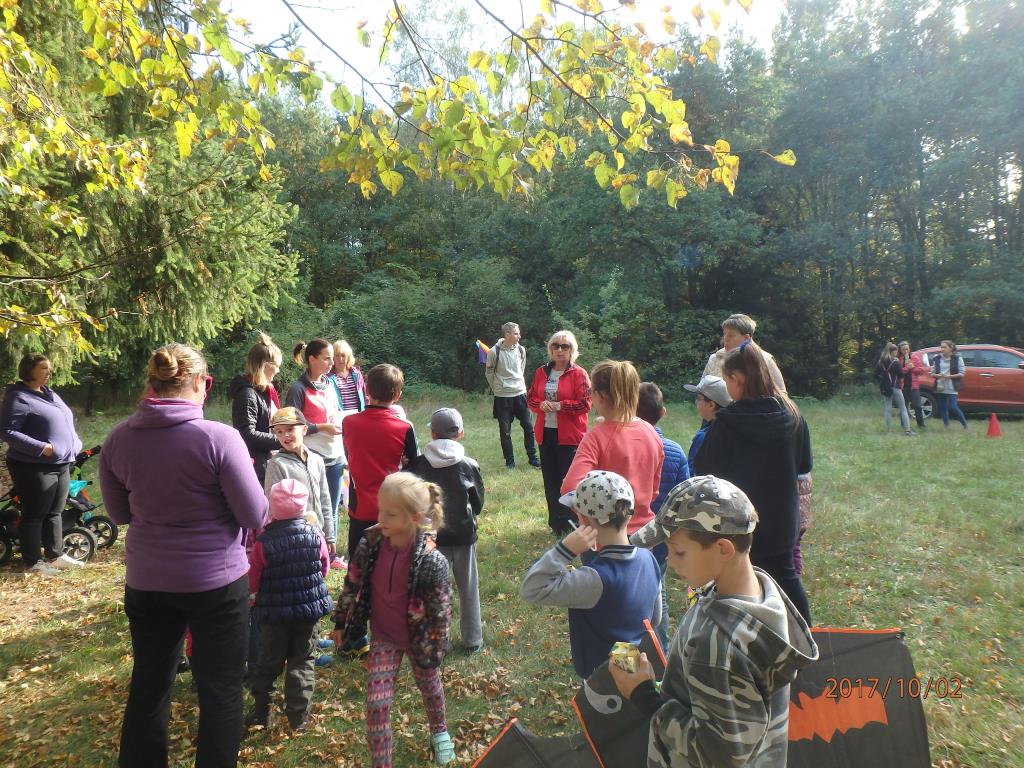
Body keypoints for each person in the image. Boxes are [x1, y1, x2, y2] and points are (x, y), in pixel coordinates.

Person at [98, 344, 267, 768]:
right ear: (200, 383)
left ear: (152, 383)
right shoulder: (219, 438)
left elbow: (119, 514)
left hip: (147, 581)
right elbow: (254, 514)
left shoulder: (118, 439)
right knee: (221, 689)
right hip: (215, 583)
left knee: (149, 684)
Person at [616, 476, 818, 768]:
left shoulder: (716, 645)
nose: (670, 560)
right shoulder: (763, 593)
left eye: (679, 551)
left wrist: (643, 694)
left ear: (723, 549)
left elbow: (718, 756)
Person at [331, 472, 455, 766]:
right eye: (380, 510)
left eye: (390, 513)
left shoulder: (431, 560)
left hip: (419, 639)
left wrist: (436, 646)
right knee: (376, 704)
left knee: (430, 687)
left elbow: (441, 610)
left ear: (415, 517)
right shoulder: (371, 543)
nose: (381, 518)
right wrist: (341, 621)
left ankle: (439, 731)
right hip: (383, 638)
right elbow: (352, 581)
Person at [692, 341, 813, 624]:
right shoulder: (792, 415)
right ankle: (806, 636)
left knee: (739, 585)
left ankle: (744, 637)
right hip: (783, 518)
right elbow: (804, 466)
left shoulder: (727, 422)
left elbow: (706, 470)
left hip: (740, 520)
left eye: (727, 381)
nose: (727, 388)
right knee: (786, 577)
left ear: (738, 379)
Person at [520, 470, 661, 679]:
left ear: (583, 519)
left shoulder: (594, 579)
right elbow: (655, 618)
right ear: (629, 513)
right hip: (635, 668)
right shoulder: (649, 559)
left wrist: (563, 551)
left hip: (602, 680)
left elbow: (531, 589)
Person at [339, 363, 418, 657]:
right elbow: (414, 469)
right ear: (397, 395)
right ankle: (392, 634)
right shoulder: (404, 427)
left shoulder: (349, 423)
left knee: (358, 574)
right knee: (393, 575)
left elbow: (350, 454)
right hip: (393, 513)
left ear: (366, 390)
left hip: (361, 510)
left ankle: (355, 635)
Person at [246, 479, 332, 733]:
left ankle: (262, 711)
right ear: (304, 506)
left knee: (268, 663)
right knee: (302, 660)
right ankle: (299, 718)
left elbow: (253, 578)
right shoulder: (315, 535)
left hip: (274, 614)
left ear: (272, 508)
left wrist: (253, 596)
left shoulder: (264, 542)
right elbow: (324, 567)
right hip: (307, 612)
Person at [409, 408, 485, 653]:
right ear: (460, 433)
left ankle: (438, 639)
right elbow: (478, 504)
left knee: (435, 591)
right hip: (463, 535)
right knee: (468, 588)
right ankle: (472, 639)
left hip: (432, 537)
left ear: (432, 433)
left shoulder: (417, 465)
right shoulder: (469, 465)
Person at [1, 352, 84, 575]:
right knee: (34, 513)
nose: (49, 372)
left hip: (61, 463)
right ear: (29, 370)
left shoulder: (49, 393)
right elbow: (8, 432)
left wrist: (74, 442)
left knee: (55, 512)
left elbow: (65, 421)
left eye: (49, 368)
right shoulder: (18, 397)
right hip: (33, 465)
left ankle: (55, 555)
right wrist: (42, 448)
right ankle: (33, 563)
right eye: (44, 368)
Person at [560, 360, 664, 536]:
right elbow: (653, 490)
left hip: (605, 537)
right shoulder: (651, 432)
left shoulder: (595, 437)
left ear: (600, 396)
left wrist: (586, 517)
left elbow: (570, 488)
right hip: (643, 534)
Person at [636, 382, 691, 649]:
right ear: (663, 412)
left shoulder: (623, 446)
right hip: (660, 539)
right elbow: (685, 501)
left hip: (626, 537)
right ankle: (661, 653)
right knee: (658, 595)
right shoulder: (675, 451)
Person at [527, 331, 592, 536]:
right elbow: (531, 399)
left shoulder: (579, 374)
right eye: (555, 346)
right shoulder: (541, 372)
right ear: (550, 349)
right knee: (550, 480)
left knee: (570, 482)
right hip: (545, 433)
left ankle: (573, 523)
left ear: (573, 350)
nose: (560, 350)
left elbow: (585, 404)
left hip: (570, 436)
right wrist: (541, 404)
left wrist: (559, 406)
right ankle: (556, 524)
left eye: (565, 346)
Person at [287, 339, 345, 566]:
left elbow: (335, 412)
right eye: (327, 358)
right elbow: (292, 424)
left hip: (334, 453)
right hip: (311, 455)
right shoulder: (298, 388)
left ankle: (332, 555)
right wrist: (322, 427)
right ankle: (312, 551)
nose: (332, 363)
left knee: (332, 506)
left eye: (332, 358)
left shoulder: (329, 383)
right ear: (312, 360)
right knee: (313, 506)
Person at [263, 407, 333, 542]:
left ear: (304, 430)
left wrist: (329, 536)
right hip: (293, 538)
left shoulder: (316, 460)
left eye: (290, 429)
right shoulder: (276, 464)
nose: (285, 435)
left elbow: (325, 500)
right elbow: (272, 507)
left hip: (318, 535)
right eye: (279, 431)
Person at [485, 322, 540, 470]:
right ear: (507, 334)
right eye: (516, 333)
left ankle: (533, 459)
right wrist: (497, 389)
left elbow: (521, 369)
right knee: (505, 432)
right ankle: (510, 462)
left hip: (520, 394)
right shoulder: (494, 352)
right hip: (502, 396)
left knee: (529, 428)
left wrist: (519, 385)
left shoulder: (521, 350)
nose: (519, 336)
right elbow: (489, 373)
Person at [228, 332, 282, 483]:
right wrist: (281, 440)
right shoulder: (247, 394)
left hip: (267, 462)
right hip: (255, 468)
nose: (278, 371)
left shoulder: (263, 391)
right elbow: (247, 434)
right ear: (265, 365)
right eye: (277, 366)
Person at [703, 313, 787, 393]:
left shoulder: (765, 360)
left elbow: (781, 394)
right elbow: (702, 392)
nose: (726, 339)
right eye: (724, 334)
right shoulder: (715, 359)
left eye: (731, 335)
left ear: (746, 338)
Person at [682, 375, 732, 468]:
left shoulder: (704, 437)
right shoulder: (733, 429)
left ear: (711, 405)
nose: (696, 402)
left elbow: (691, 474)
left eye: (698, 398)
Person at [875, 342, 914, 436]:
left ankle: (888, 431)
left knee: (888, 409)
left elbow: (876, 375)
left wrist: (884, 380)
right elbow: (901, 375)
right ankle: (907, 430)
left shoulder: (880, 362)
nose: (897, 353)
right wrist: (907, 368)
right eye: (896, 351)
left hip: (885, 388)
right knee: (903, 408)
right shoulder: (895, 362)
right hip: (895, 387)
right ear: (893, 351)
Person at [932, 340, 968, 430]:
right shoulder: (937, 358)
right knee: (942, 407)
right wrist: (938, 375)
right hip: (941, 386)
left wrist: (949, 376)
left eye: (944, 347)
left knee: (953, 406)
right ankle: (946, 426)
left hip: (952, 386)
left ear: (951, 348)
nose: (942, 349)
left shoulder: (957, 358)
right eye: (941, 347)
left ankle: (965, 425)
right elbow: (932, 373)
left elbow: (962, 373)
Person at [329, 339, 367, 416]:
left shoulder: (357, 374)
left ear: (348, 357)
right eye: (337, 355)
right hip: (339, 418)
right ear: (332, 357)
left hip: (358, 416)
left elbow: (364, 396)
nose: (340, 359)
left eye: (343, 355)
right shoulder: (328, 377)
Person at [898, 341, 927, 429]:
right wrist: (907, 368)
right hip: (902, 386)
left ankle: (921, 425)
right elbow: (899, 372)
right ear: (900, 350)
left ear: (909, 349)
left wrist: (913, 368)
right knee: (903, 406)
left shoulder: (915, 358)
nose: (905, 351)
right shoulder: (898, 359)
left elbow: (921, 371)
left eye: (907, 349)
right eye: (903, 350)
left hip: (913, 386)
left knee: (917, 405)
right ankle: (904, 425)